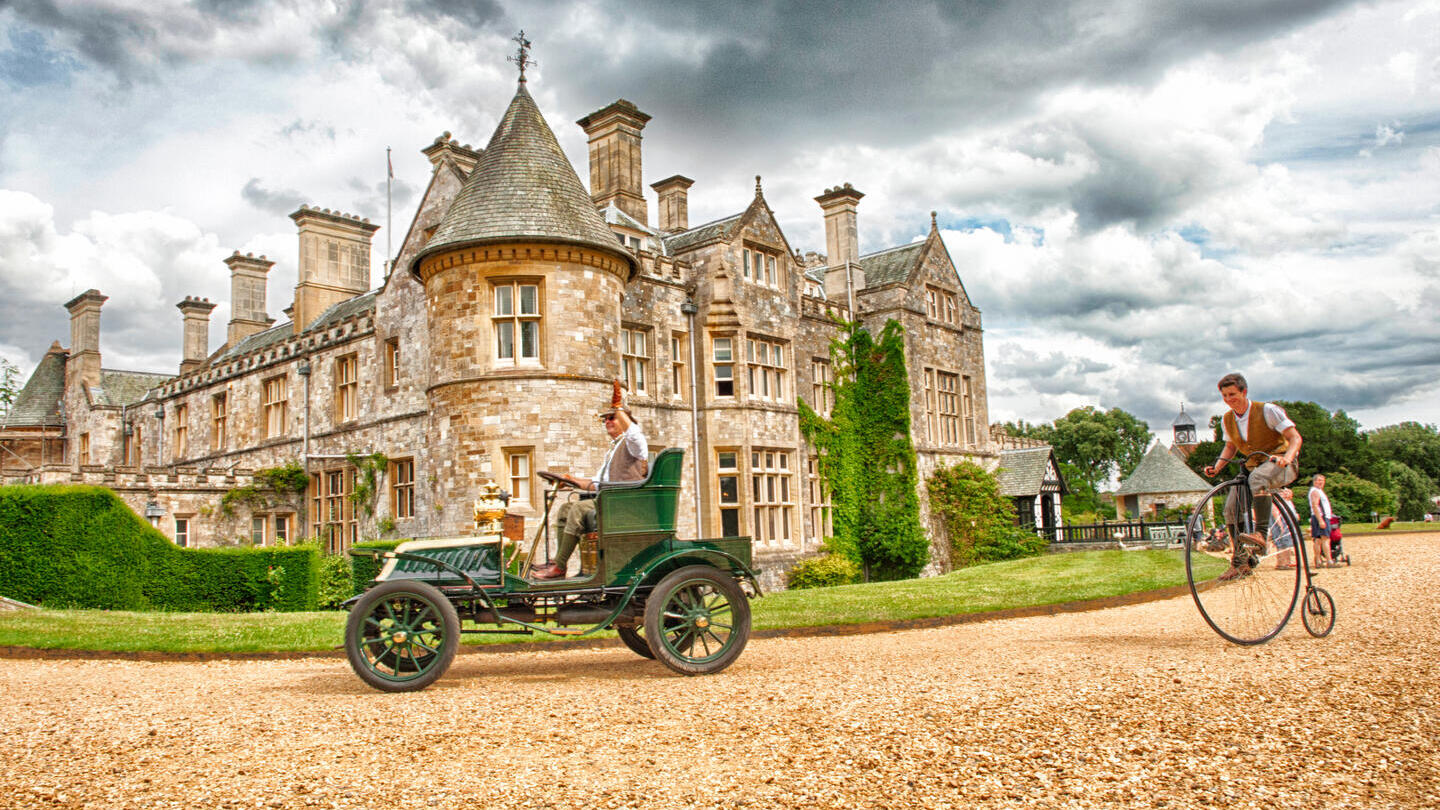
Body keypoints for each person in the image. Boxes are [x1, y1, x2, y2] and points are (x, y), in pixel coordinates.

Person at [531, 381, 648, 580]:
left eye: (612, 418)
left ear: (625, 421)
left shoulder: (634, 445)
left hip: (624, 504)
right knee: (564, 510)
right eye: (606, 419)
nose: (608, 421)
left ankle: (558, 567)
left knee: (578, 509)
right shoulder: (613, 450)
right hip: (608, 500)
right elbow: (596, 483)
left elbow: (634, 433)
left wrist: (618, 407)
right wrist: (568, 480)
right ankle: (559, 563)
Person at [1203, 372, 1303, 581]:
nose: (1229, 400)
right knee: (1231, 508)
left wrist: (1288, 457)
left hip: (1281, 464)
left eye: (1233, 394)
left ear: (1244, 392)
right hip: (1252, 468)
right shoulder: (1228, 419)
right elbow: (1230, 447)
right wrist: (1217, 467)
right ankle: (1240, 562)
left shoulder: (1268, 411)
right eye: (1225, 396)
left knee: (1257, 478)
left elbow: (1295, 438)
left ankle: (1261, 534)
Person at [1308, 474, 1335, 567]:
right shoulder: (1315, 491)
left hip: (1320, 516)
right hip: (1321, 516)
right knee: (1325, 539)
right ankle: (1329, 560)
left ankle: (1318, 561)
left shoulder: (1318, 491)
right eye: (1318, 480)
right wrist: (1320, 520)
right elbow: (1315, 505)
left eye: (1322, 480)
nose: (1320, 482)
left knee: (1318, 540)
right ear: (1314, 481)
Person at [1268, 487, 1298, 569]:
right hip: (1282, 525)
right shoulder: (1277, 501)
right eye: (1285, 492)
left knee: (1287, 544)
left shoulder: (1287, 502)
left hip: (1288, 525)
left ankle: (1287, 562)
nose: (1287, 494)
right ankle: (1281, 563)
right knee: (1282, 544)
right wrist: (1280, 526)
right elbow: (1275, 513)